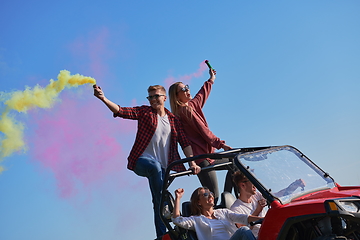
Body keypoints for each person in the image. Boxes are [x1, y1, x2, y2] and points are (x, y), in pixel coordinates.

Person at [93, 84, 201, 238]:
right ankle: (164, 205)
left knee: (157, 201)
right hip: (142, 161)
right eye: (150, 97)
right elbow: (122, 111)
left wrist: (192, 163)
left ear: (164, 97)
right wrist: (103, 98)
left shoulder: (173, 120)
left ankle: (163, 235)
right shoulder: (145, 112)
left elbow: (185, 143)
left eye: (156, 96)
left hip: (164, 168)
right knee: (156, 176)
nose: (153, 99)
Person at [168, 67, 232, 204]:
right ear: (176, 96)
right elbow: (203, 130)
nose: (187, 90)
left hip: (209, 156)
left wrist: (211, 80)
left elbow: (201, 95)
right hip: (201, 159)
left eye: (187, 87)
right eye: (183, 89)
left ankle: (228, 199)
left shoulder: (191, 105)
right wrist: (221, 144)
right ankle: (212, 214)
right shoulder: (184, 111)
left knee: (235, 163)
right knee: (211, 196)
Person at [172, 187, 263, 240]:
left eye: (211, 193)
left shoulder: (223, 212)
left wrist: (266, 219)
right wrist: (178, 198)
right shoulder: (196, 219)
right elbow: (177, 220)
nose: (211, 195)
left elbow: (245, 218)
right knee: (244, 230)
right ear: (199, 202)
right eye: (206, 195)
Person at [231, 171, 267, 238]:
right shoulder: (235, 209)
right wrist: (258, 211)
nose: (255, 183)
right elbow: (244, 232)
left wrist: (289, 189)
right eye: (252, 180)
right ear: (243, 185)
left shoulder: (257, 195)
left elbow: (275, 197)